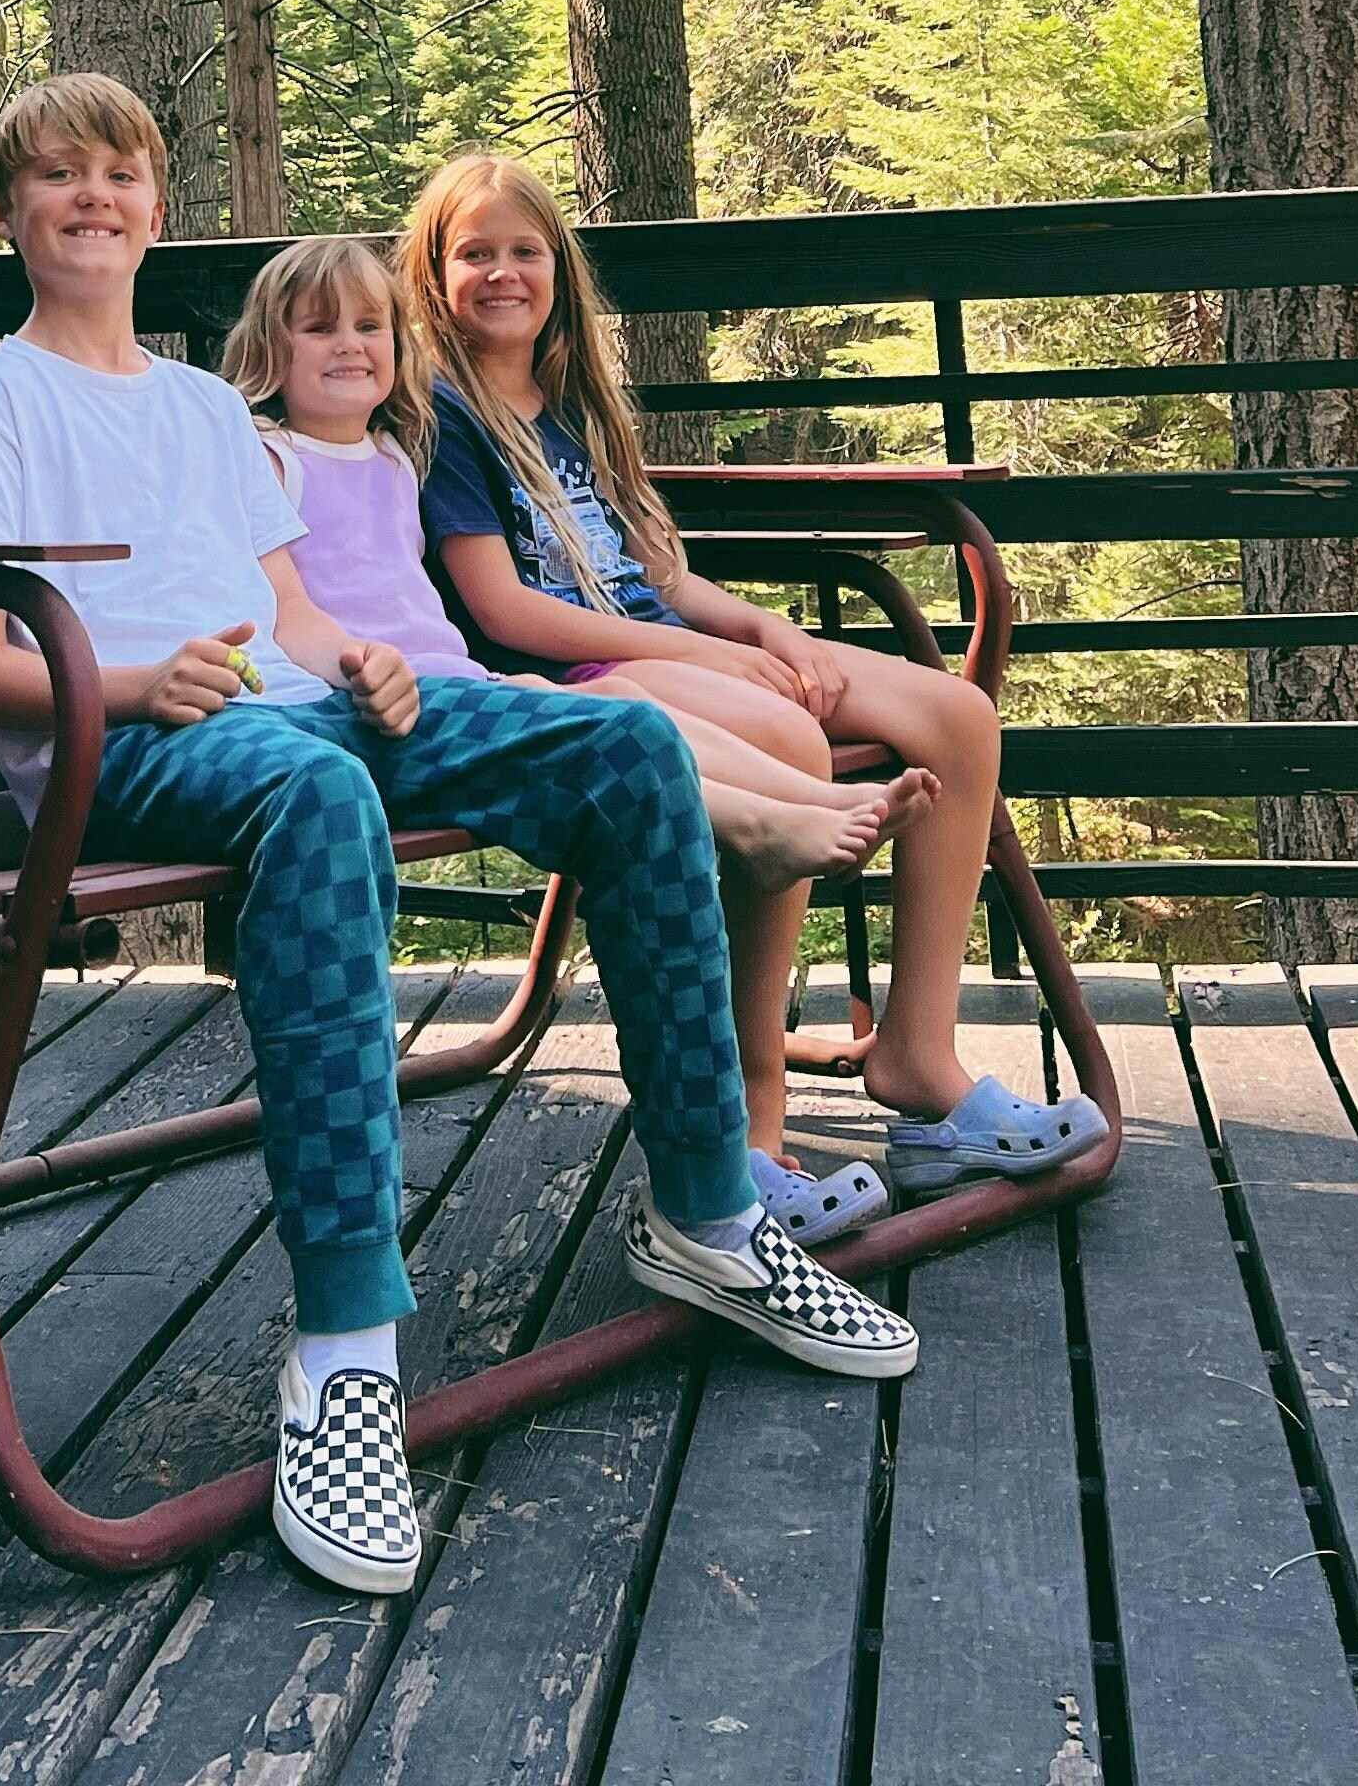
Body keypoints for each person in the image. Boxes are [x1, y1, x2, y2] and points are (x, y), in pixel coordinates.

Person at [0, 73, 916, 1602]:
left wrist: (362, 663)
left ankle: (710, 1210)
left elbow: (293, 612)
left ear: (156, 206)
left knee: (626, 740)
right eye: (56, 178)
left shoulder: (199, 408)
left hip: (287, 711)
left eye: (118, 173)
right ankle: (347, 1349)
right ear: (7, 216)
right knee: (316, 798)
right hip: (125, 747)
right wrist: (132, 678)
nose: (92, 198)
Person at [401, 150, 1112, 1211]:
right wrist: (716, 659)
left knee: (957, 715)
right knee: (787, 737)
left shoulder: (576, 406)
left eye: (525, 251)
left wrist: (766, 628)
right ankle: (757, 1130)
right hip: (573, 677)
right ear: (430, 273)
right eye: (474, 254)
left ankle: (919, 1055)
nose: (502, 273)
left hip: (662, 643)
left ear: (559, 269)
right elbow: (503, 612)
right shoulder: (443, 415)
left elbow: (667, 574)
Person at [220, 230, 932, 1245]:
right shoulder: (265, 455)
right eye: (318, 328)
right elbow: (271, 596)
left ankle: (805, 807)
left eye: (370, 327)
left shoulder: (391, 450)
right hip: (373, 704)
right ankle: (773, 825)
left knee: (636, 724)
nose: (348, 346)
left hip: (459, 688)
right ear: (267, 348)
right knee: (616, 734)